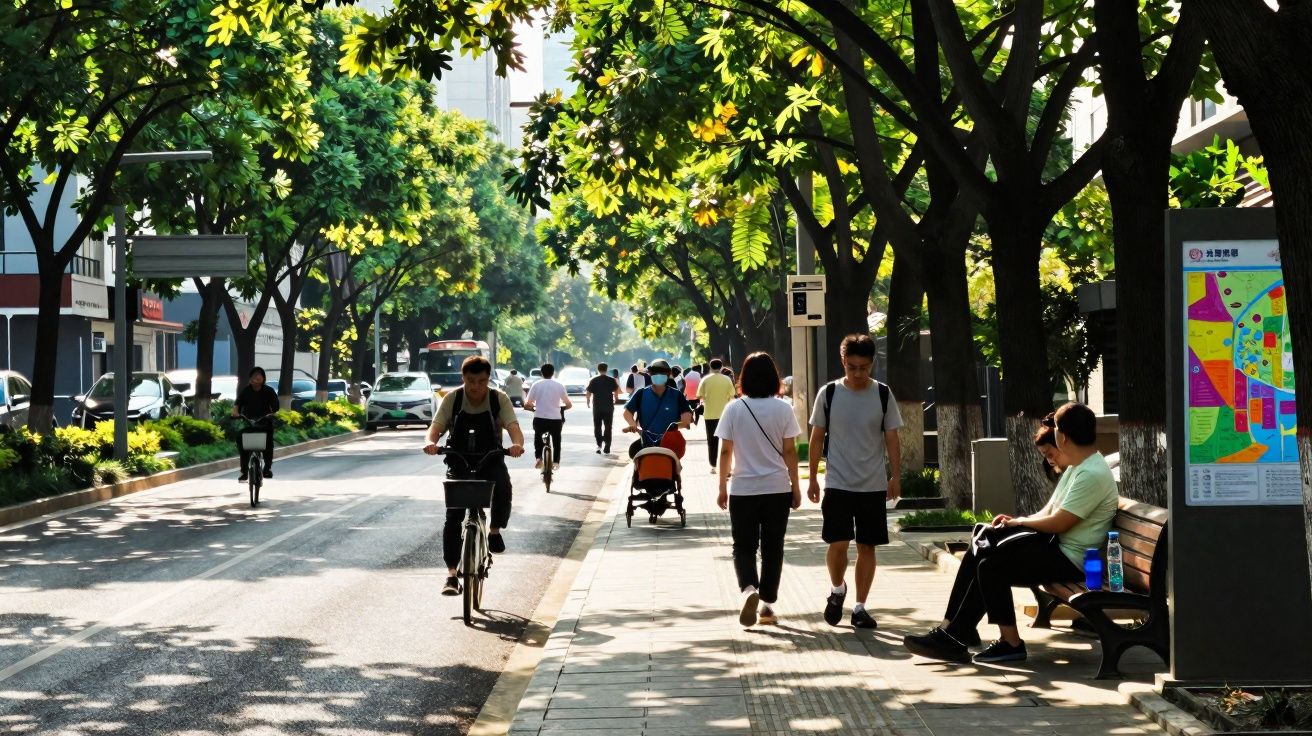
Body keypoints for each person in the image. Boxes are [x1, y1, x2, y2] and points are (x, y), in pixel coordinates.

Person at [902, 402, 1118, 664]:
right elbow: (1048, 512)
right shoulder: (1077, 467)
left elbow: (1060, 523)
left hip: (1071, 559)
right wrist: (1018, 521)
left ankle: (1009, 643)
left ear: (1064, 435)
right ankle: (956, 628)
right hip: (1056, 547)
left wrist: (1020, 524)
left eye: (1057, 428)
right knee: (981, 540)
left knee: (992, 565)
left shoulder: (1091, 473)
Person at [806, 333, 903, 630]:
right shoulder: (830, 393)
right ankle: (837, 590)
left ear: (873, 363)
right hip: (837, 481)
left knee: (867, 546)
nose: (858, 373)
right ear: (843, 363)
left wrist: (895, 476)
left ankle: (860, 607)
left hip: (872, 484)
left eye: (864, 367)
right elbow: (816, 437)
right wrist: (812, 478)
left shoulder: (883, 394)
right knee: (837, 543)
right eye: (852, 367)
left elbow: (892, 438)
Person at [423, 356, 526, 596]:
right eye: (471, 381)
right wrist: (430, 443)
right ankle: (451, 575)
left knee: (503, 488)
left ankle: (494, 531)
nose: (476, 386)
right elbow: (436, 427)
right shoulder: (453, 399)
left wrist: (517, 445)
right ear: (463, 378)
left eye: (481, 381)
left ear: (488, 379)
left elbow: (513, 427)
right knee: (453, 517)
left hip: (490, 457)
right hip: (458, 459)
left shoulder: (497, 398)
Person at [715, 352, 802, 627]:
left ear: (744, 379)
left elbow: (725, 451)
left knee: (743, 546)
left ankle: (748, 590)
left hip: (743, 489)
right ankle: (766, 606)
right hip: (777, 489)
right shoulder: (784, 409)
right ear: (773, 379)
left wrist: (721, 488)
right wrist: (795, 486)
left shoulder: (734, 409)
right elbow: (790, 451)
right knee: (773, 547)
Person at [622, 359, 693, 456]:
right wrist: (632, 424)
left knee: (675, 467)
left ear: (668, 374)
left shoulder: (677, 395)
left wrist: (680, 424)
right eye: (655, 372)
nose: (658, 375)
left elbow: (686, 416)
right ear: (650, 374)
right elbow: (627, 412)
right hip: (646, 441)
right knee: (635, 459)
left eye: (662, 372)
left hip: (669, 442)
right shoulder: (641, 393)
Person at [233, 367, 280, 481]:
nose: (257, 378)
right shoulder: (246, 391)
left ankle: (267, 469)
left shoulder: (269, 391)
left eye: (259, 375)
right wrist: (235, 413)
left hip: (265, 423)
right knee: (241, 438)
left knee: (268, 442)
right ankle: (244, 472)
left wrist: (272, 413)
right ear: (250, 379)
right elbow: (237, 404)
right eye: (254, 375)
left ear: (263, 379)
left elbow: (276, 406)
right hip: (249, 423)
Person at [525, 363, 572, 469]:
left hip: (539, 418)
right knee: (556, 440)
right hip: (555, 419)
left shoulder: (536, 385)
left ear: (541, 373)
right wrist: (562, 408)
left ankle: (538, 458)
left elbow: (527, 404)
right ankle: (556, 462)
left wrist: (533, 408)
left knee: (538, 437)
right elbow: (569, 404)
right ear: (553, 373)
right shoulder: (559, 385)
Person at [697, 359, 736, 473]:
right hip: (725, 414)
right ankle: (728, 466)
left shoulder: (705, 379)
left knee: (712, 441)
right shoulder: (726, 379)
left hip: (709, 414)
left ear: (710, 366)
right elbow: (732, 395)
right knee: (727, 440)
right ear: (721, 366)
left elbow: (700, 396)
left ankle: (713, 465)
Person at [586, 362, 622, 454]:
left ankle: (599, 445)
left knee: (597, 426)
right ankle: (607, 446)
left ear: (598, 369)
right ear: (606, 369)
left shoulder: (594, 380)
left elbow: (589, 392)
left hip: (597, 407)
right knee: (608, 426)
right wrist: (616, 399)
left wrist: (588, 402)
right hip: (609, 407)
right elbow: (616, 391)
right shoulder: (611, 380)